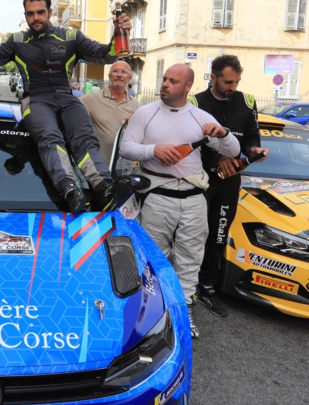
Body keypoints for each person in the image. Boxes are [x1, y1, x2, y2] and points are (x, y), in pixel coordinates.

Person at [0, 0, 131, 213]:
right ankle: (70, 190)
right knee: (50, 137)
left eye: (40, 12)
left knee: (84, 138)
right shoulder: (17, 41)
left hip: (67, 96)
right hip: (35, 99)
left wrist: (118, 35)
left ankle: (103, 186)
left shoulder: (71, 37)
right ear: (25, 15)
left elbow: (105, 55)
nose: (36, 18)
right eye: (30, 13)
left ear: (50, 12)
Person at [120, 64, 240, 339]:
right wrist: (154, 150)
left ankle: (183, 314)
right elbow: (127, 148)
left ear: (187, 87)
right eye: (164, 79)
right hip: (157, 197)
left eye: (173, 81)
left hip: (194, 198)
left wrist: (223, 134)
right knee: (154, 258)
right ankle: (154, 317)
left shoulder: (200, 117)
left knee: (190, 259)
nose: (165, 84)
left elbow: (233, 151)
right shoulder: (145, 113)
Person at [189, 55, 268, 318]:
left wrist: (254, 150)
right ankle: (185, 284)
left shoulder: (247, 101)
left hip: (231, 180)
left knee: (219, 233)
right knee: (193, 232)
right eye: (227, 82)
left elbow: (252, 135)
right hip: (200, 179)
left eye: (236, 82)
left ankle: (208, 286)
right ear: (213, 77)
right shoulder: (196, 102)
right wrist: (217, 159)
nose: (232, 87)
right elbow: (190, 143)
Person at [80, 61, 140, 166]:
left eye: (124, 72)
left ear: (129, 78)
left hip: (125, 166)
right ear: (109, 76)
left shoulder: (137, 106)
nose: (119, 75)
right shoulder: (91, 99)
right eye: (115, 71)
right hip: (98, 166)